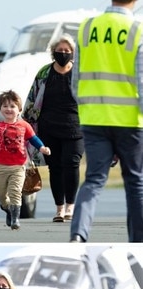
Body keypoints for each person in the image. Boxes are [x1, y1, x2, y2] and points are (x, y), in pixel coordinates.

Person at [70, 0, 143, 243]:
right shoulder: (137, 29)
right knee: (135, 182)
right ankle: (138, 242)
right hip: (130, 121)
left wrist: (86, 110)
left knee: (93, 180)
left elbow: (75, 80)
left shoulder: (87, 27)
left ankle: (78, 235)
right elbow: (141, 81)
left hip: (93, 118)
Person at [22, 34, 84, 223]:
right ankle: (59, 209)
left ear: (73, 53)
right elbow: (32, 99)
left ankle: (70, 207)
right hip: (49, 128)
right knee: (55, 167)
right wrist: (24, 125)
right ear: (53, 52)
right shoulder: (44, 73)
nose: (63, 54)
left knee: (72, 163)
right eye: (60, 51)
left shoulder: (81, 74)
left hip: (76, 127)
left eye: (67, 51)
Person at [0, 90, 51, 230]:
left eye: (12, 106)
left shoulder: (24, 126)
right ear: (0, 109)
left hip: (18, 167)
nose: (8, 109)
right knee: (1, 195)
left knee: (15, 192)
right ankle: (7, 209)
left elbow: (34, 139)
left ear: (19, 110)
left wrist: (42, 148)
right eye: (5, 106)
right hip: (0, 167)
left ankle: (15, 219)